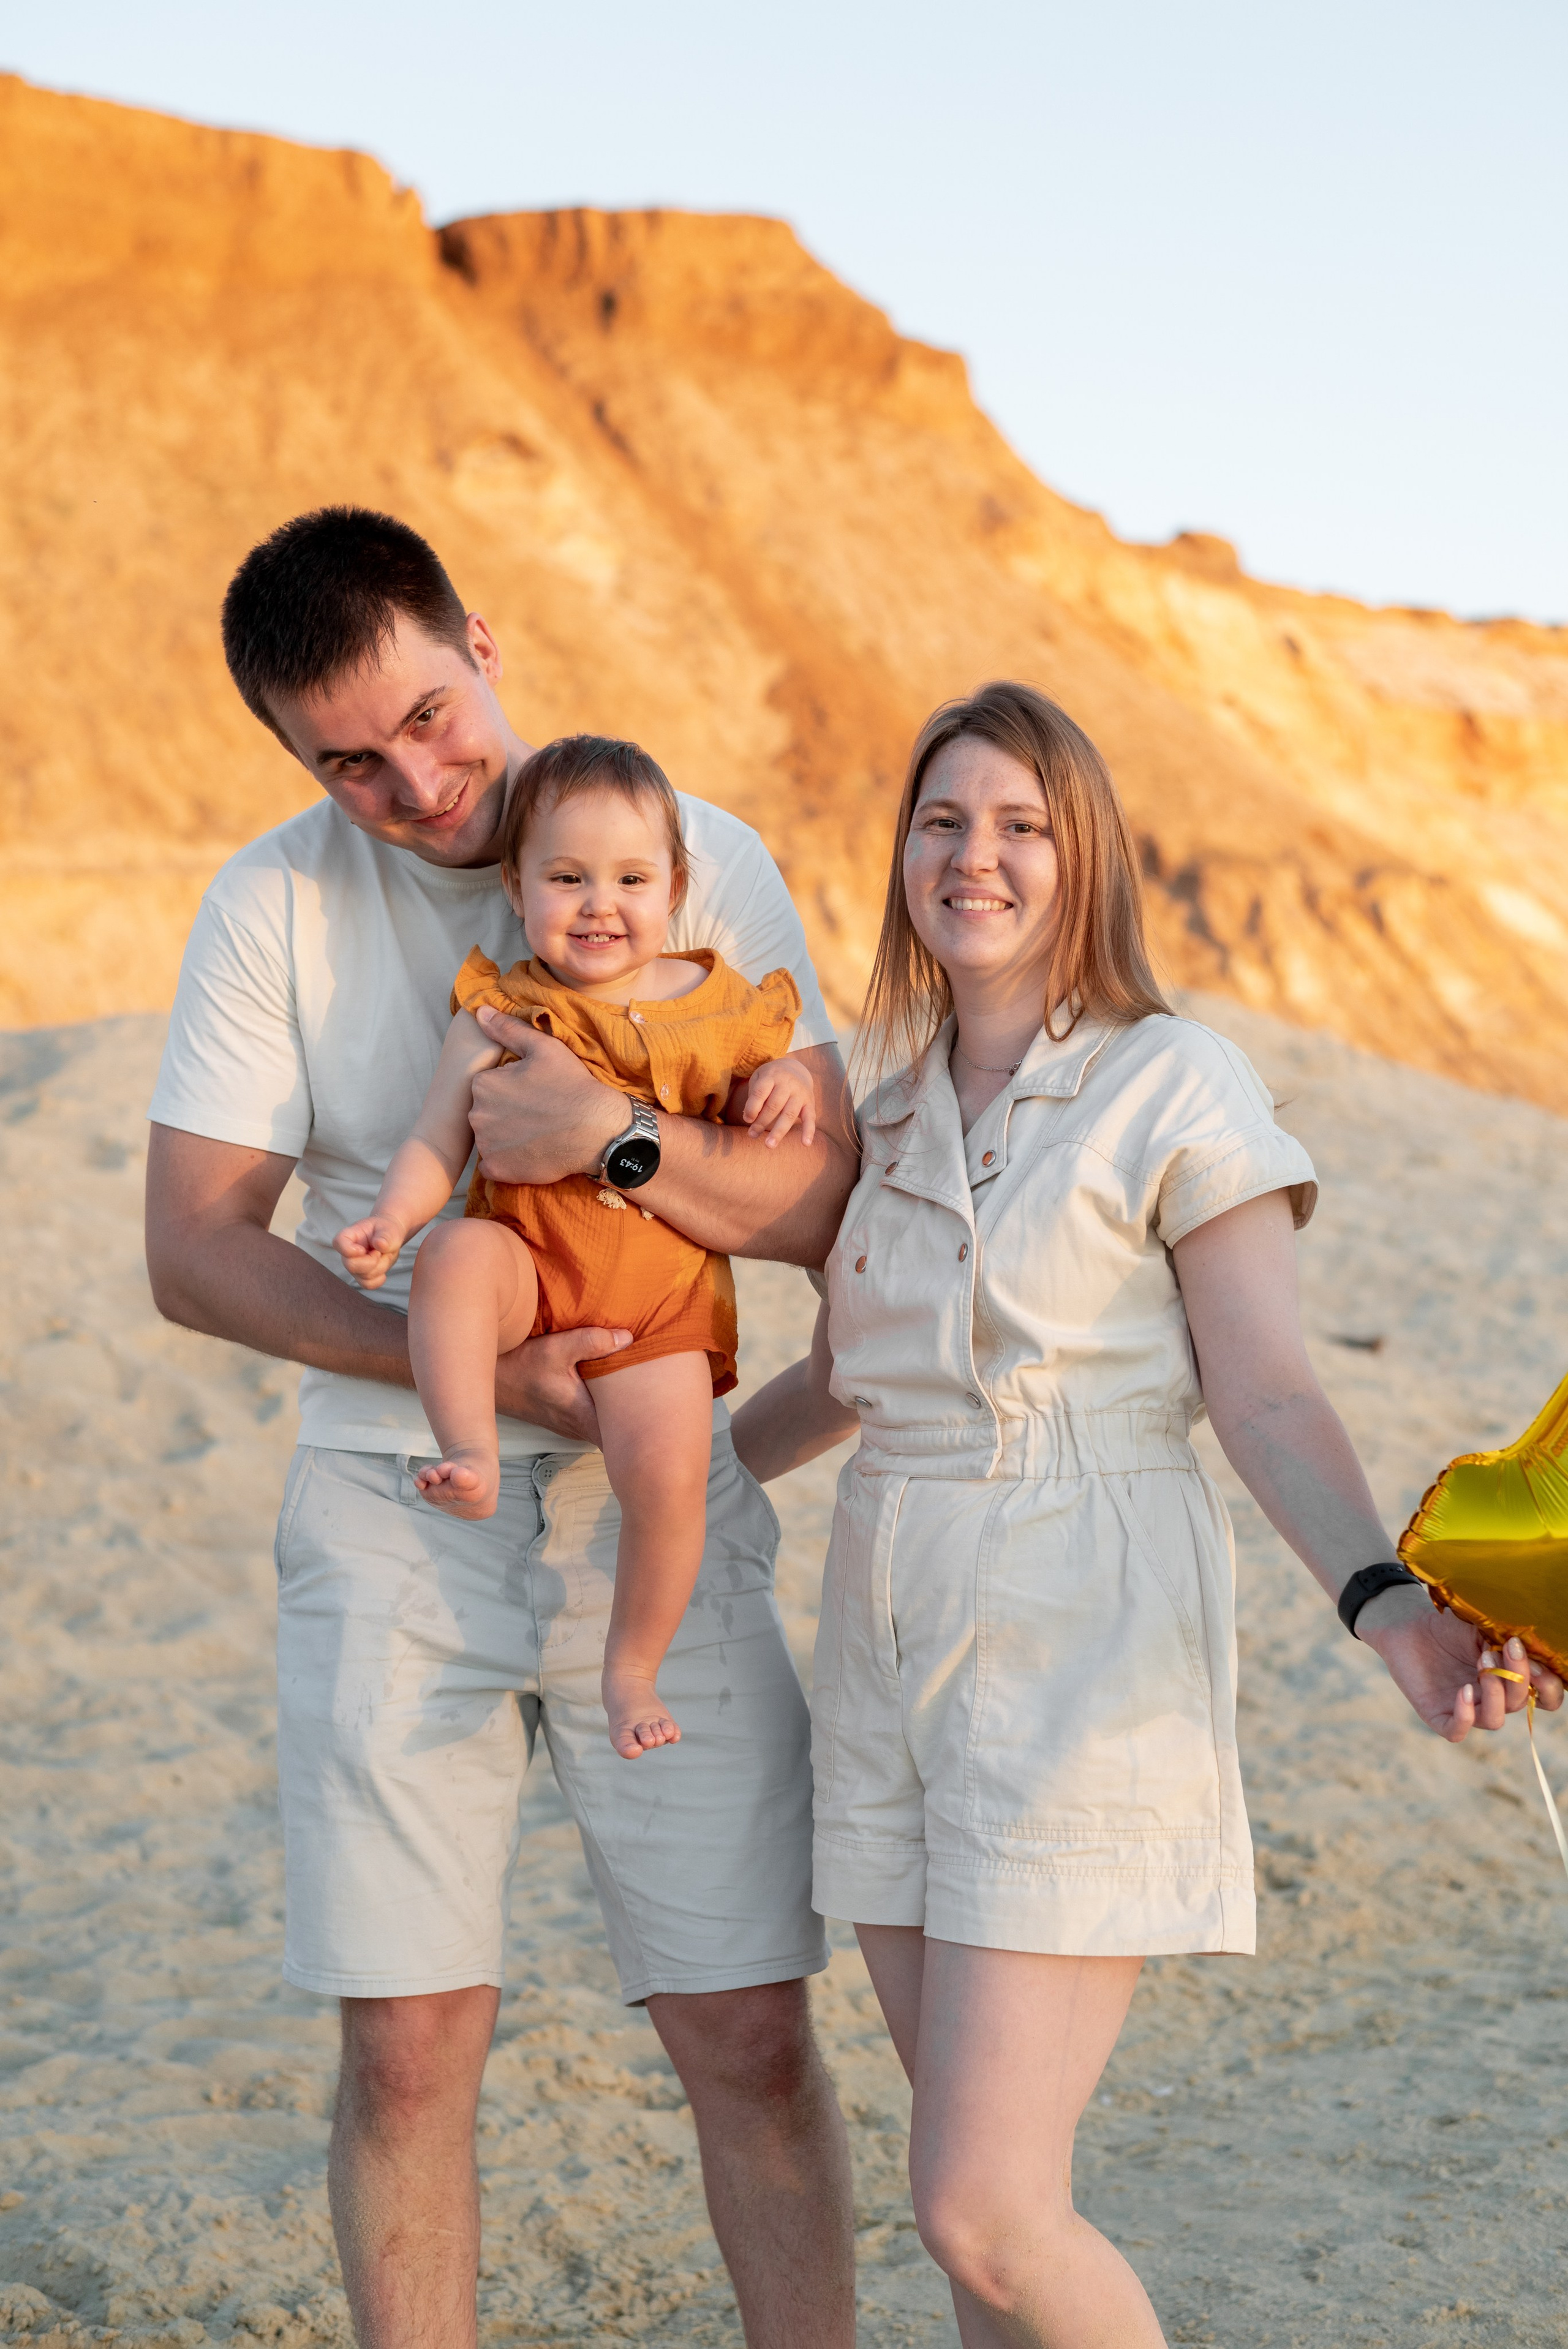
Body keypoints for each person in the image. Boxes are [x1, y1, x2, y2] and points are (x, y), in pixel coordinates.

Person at [730, 679, 1565, 2349]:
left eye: (1023, 825)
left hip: (1082, 1628)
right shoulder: (880, 1111)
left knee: (982, 2204)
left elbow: (1262, 1387)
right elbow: (849, 1374)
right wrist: (662, 1478)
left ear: (1087, 859)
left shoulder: (1173, 1079)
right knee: (988, 2223)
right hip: (887, 1624)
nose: (978, 855)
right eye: (945, 819)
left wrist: (1384, 1600)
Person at [143, 508, 858, 2348]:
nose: (418, 782)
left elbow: (831, 1209)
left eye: (436, 716)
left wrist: (613, 1147)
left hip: (665, 1500)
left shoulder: (694, 858)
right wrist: (455, 1362)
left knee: (749, 2027)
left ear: (485, 637)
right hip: (397, 1514)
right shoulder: (273, 903)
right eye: (353, 762)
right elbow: (192, 1251)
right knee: (406, 2043)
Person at [334, 730, 816, 1760]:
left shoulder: (719, 1005)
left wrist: (788, 1085)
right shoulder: (503, 1011)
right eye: (567, 877)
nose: (600, 904)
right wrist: (394, 1219)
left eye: (631, 878)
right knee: (453, 1265)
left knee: (669, 1480)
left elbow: (772, 1100)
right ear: (517, 887)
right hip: (530, 1259)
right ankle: (471, 1450)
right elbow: (435, 1136)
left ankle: (631, 1664)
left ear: (677, 885)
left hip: (656, 1306)